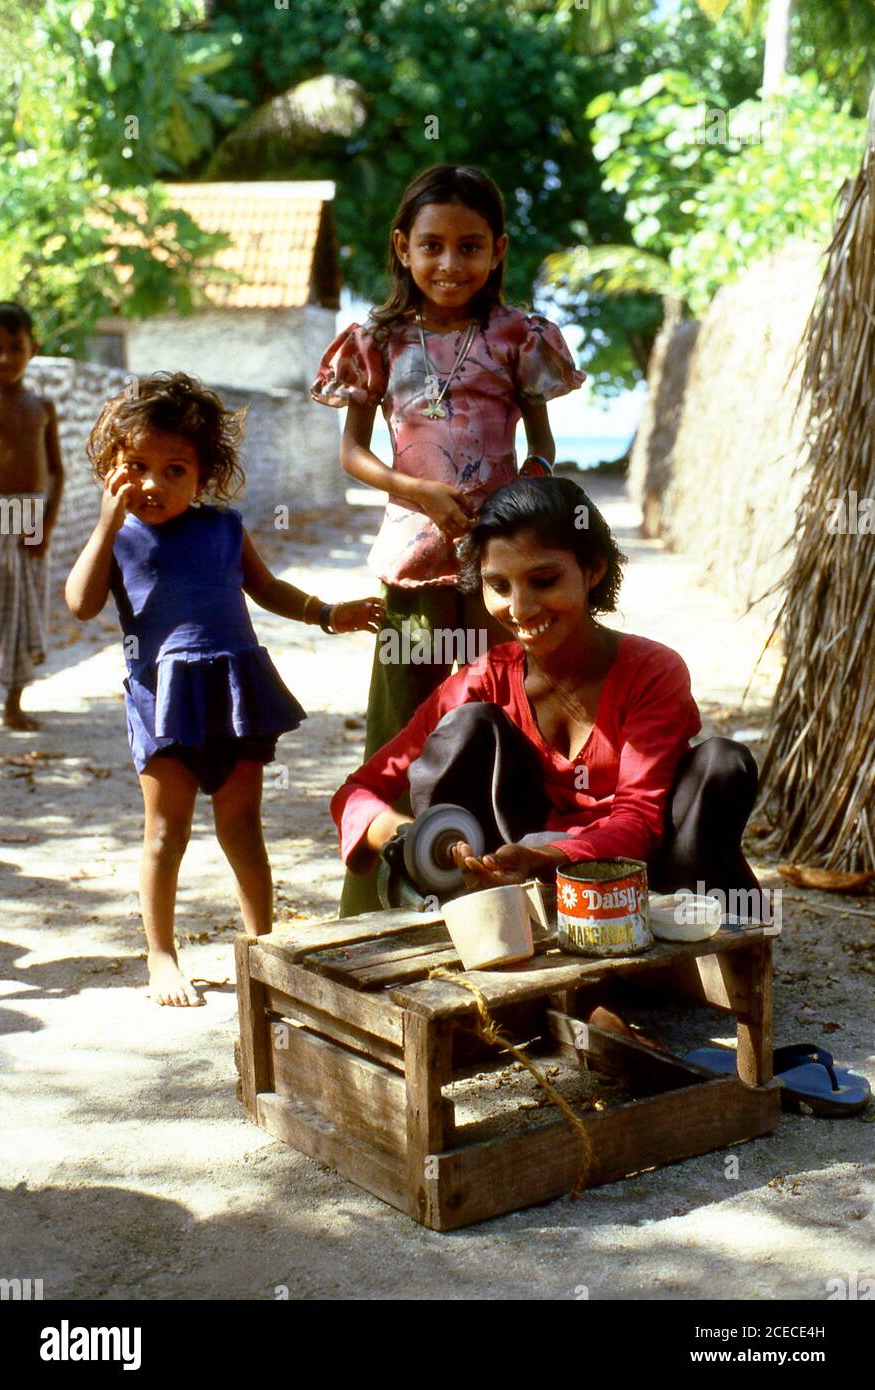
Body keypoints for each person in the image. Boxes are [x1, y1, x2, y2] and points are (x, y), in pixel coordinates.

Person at [312, 163, 587, 915]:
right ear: (402, 247)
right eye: (431, 246)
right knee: (401, 732)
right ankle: (372, 908)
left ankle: (500, 895)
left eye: (470, 247)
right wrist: (413, 491)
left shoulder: (516, 337)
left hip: (501, 577)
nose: (449, 264)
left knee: (503, 721)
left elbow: (542, 446)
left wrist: (517, 500)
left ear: (497, 250)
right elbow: (353, 453)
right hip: (413, 567)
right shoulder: (376, 340)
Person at [66, 372, 386, 1007]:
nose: (152, 484)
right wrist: (105, 522)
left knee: (243, 826)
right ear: (111, 469)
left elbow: (266, 589)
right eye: (136, 467)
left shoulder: (224, 529)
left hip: (235, 692)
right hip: (162, 701)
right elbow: (79, 604)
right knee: (166, 832)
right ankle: (161, 955)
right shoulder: (121, 538)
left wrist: (327, 612)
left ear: (204, 475)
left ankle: (265, 946)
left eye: (174, 469)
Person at [331, 476, 762, 908]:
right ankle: (475, 917)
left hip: (651, 877)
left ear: (593, 570)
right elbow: (357, 791)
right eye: (499, 586)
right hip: (514, 881)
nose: (520, 608)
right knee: (465, 728)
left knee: (722, 764)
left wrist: (549, 857)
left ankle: (704, 943)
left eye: (543, 580)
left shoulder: (652, 672)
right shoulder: (484, 682)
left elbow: (638, 820)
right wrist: (409, 837)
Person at [0, 301, 64, 730]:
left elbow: (56, 470)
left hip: (31, 514)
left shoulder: (43, 407)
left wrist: (46, 525)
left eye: (14, 347)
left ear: (32, 348)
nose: (3, 358)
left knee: (24, 609)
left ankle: (13, 702)